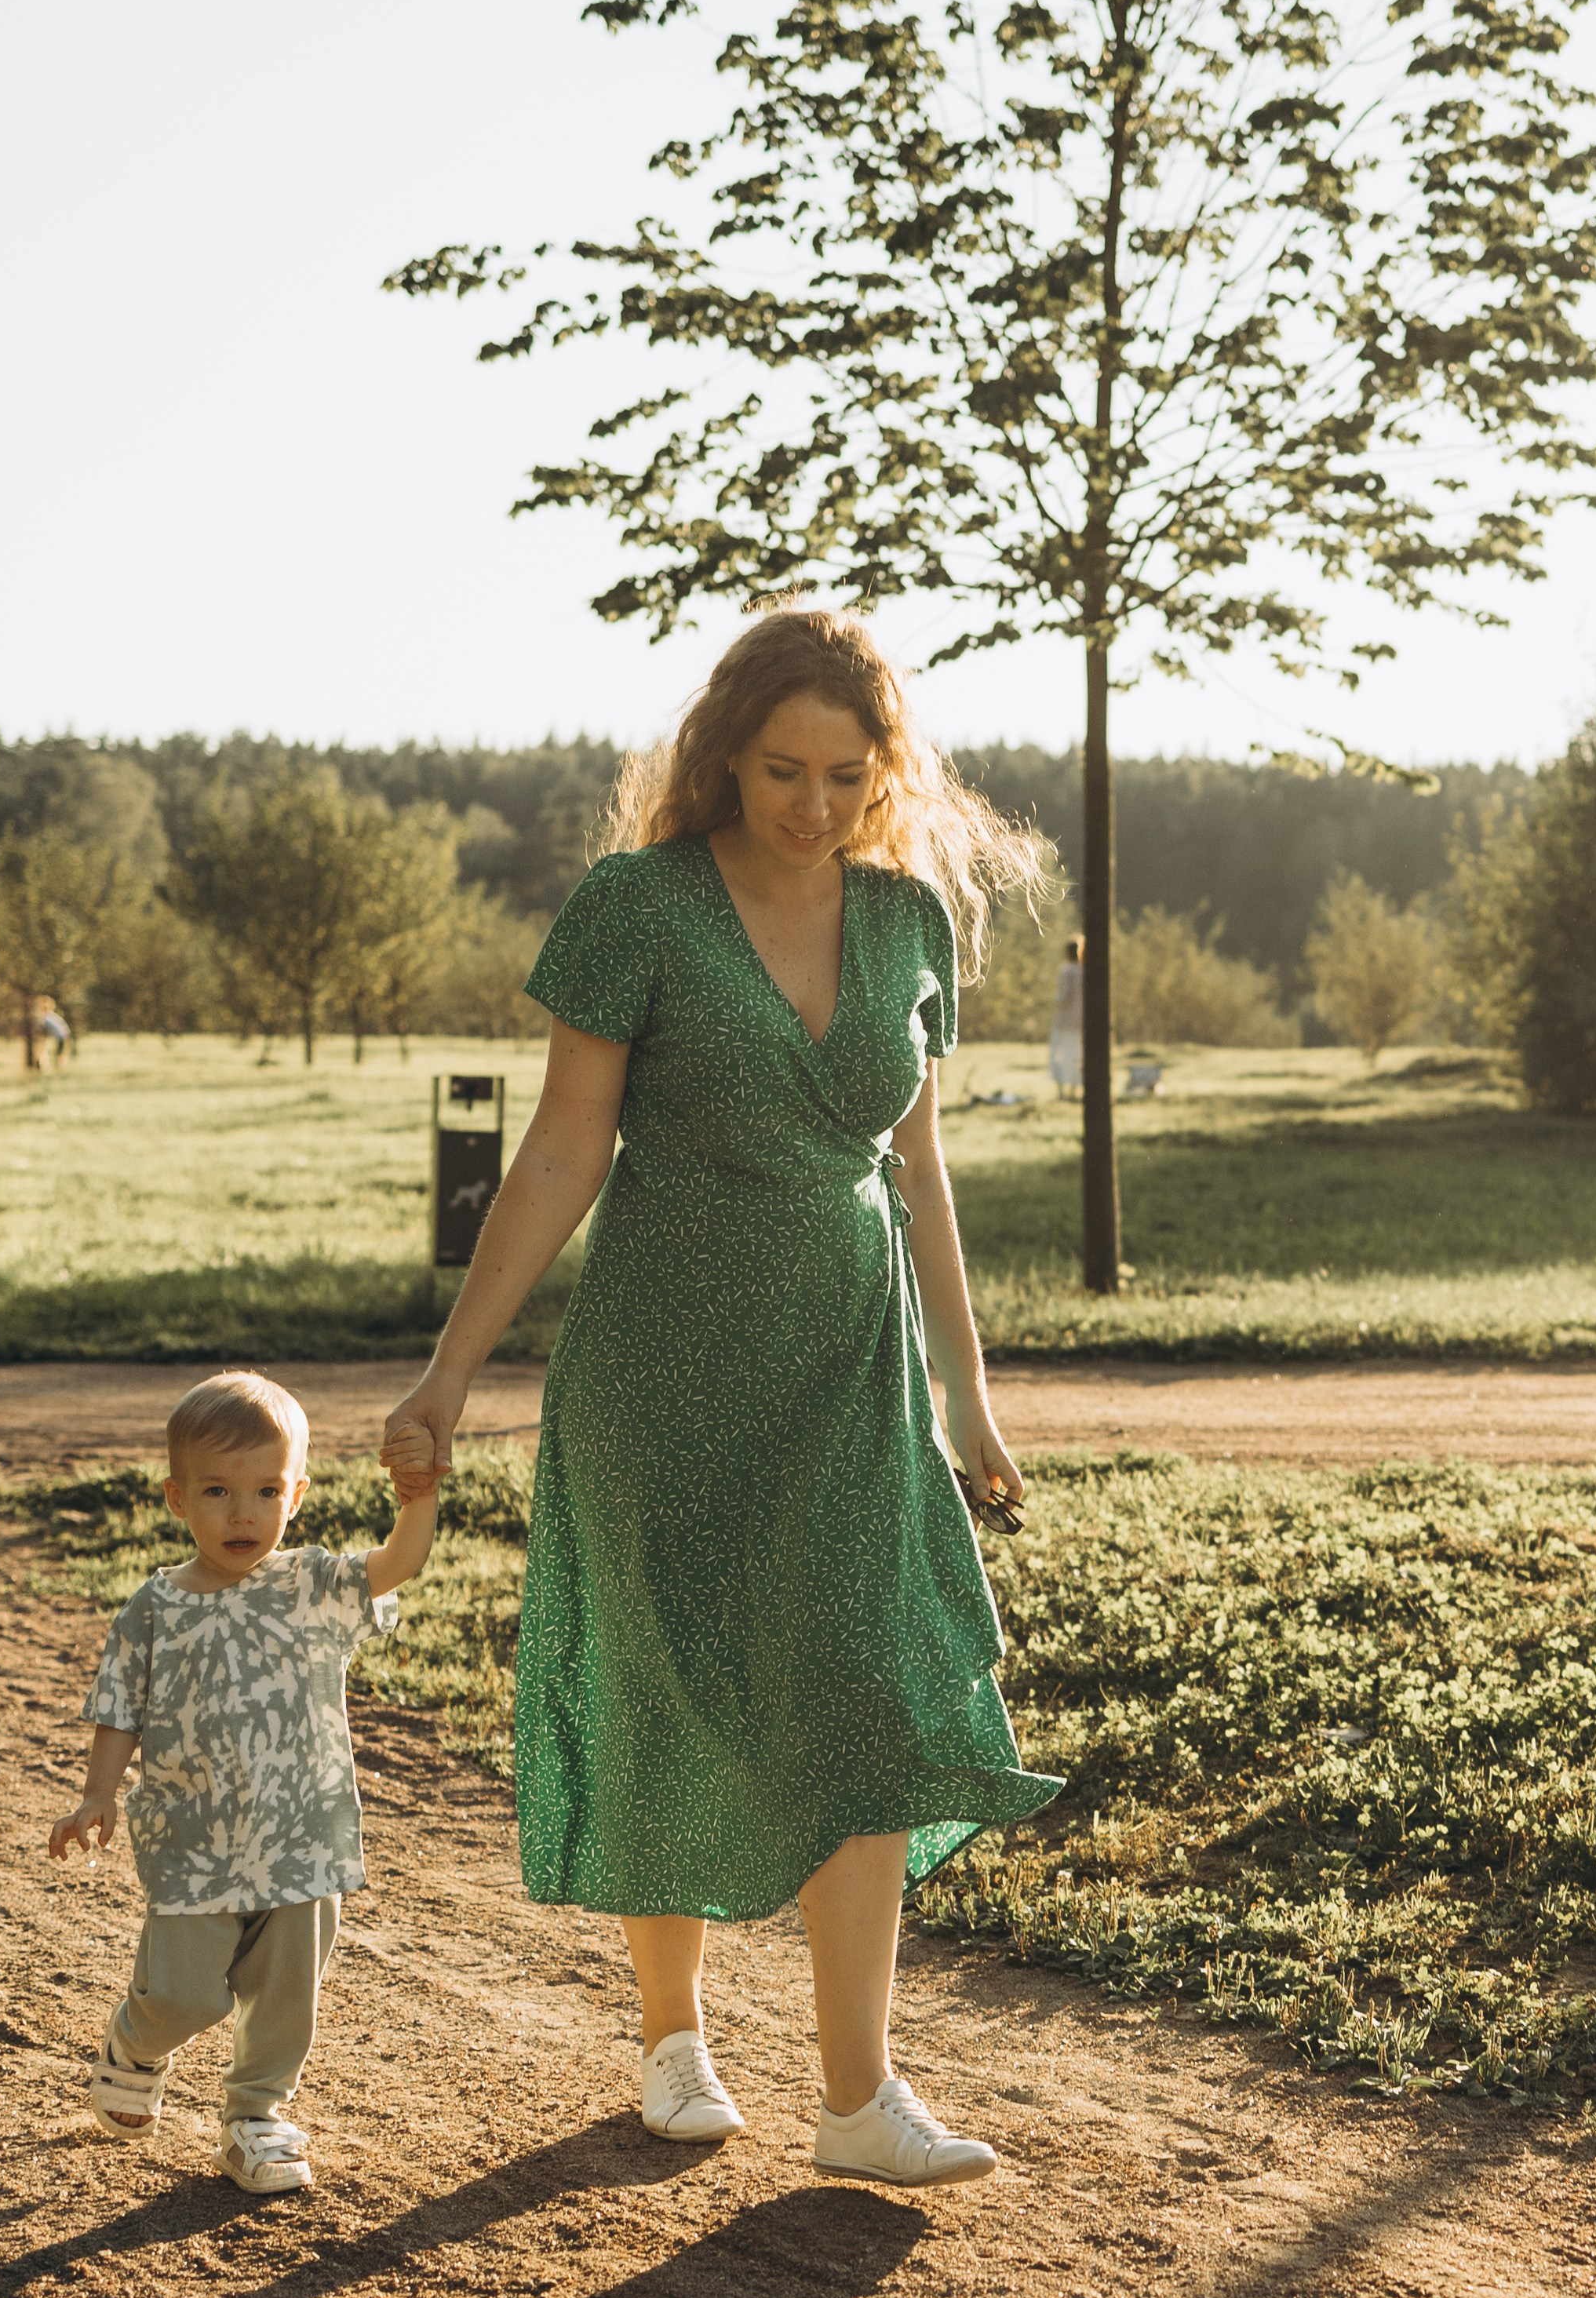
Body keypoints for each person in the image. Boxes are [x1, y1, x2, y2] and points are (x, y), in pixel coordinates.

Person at [381, 608, 1062, 2189]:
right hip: (663, 1349)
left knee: (867, 1686)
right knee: (671, 1675)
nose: (809, 802)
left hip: (848, 1358)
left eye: (842, 772)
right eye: (778, 768)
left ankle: (855, 2097)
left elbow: (921, 1170)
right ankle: (673, 2036)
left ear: (882, 773)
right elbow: (562, 1150)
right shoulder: (638, 908)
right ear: (721, 753)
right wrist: (451, 1363)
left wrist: (969, 1394)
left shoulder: (904, 924)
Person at [49, 1371, 437, 2195]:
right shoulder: (155, 1607)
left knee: (285, 1996)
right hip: (194, 1842)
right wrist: (97, 1792)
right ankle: (137, 2040)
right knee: (187, 1993)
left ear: (295, 1494)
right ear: (176, 1496)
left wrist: (417, 1494)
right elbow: (120, 1705)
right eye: (218, 1491)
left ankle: (256, 2115)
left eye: (265, 1490)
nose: (241, 1512)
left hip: (304, 1838)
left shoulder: (315, 1584)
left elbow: (400, 1560)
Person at [1048, 937, 1084, 1098]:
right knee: (1076, 1055)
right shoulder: (1084, 971)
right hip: (1080, 1021)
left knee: (1058, 1054)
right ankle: (1074, 1090)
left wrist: (1052, 999)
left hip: (1063, 1021)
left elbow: (1064, 997)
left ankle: (1061, 1090)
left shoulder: (1066, 971)